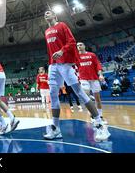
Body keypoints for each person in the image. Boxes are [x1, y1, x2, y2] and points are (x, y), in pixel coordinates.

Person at [42, 9, 110, 141]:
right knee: (53, 95)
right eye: (45, 14)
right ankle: (56, 129)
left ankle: (100, 125)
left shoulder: (62, 25)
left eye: (48, 12)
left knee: (80, 93)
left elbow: (72, 42)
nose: (46, 14)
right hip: (53, 65)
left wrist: (62, 51)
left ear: (55, 16)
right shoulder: (46, 31)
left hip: (66, 64)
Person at [76, 42, 107, 124]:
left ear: (84, 46)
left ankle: (100, 116)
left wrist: (100, 74)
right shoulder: (76, 56)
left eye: (80, 45)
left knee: (98, 99)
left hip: (94, 78)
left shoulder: (92, 55)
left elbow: (98, 65)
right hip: (83, 79)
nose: (79, 46)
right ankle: (93, 115)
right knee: (86, 96)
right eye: (77, 45)